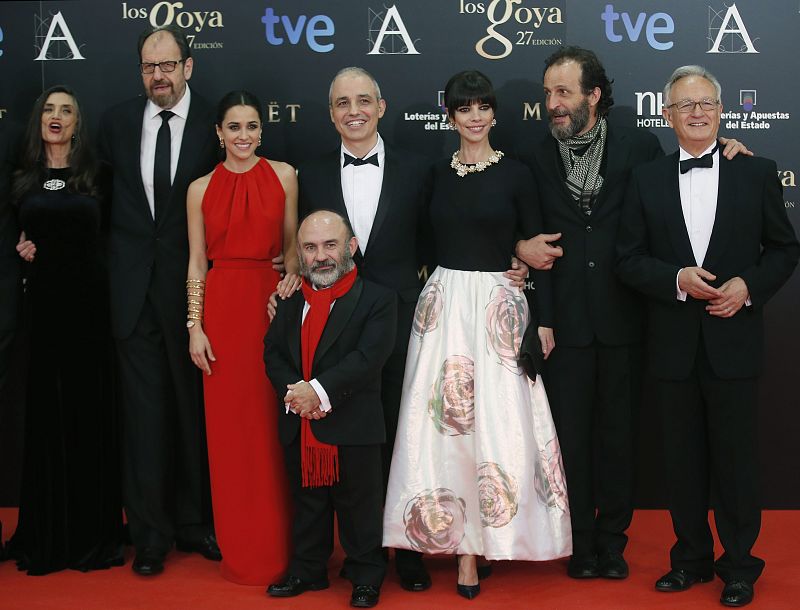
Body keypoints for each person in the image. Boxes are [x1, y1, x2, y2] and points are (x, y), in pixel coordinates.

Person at [515, 46, 749, 580]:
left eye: (564, 92)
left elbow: (691, 174)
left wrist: (733, 150)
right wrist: (518, 246)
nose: (553, 103)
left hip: (629, 317)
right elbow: (506, 218)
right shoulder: (533, 156)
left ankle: (614, 543)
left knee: (620, 438)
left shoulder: (641, 146)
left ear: (593, 95)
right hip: (563, 321)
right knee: (570, 440)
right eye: (548, 92)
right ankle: (580, 543)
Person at [382, 70, 571, 600]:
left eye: (483, 106)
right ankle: (449, 541)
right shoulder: (433, 174)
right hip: (442, 310)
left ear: (494, 113)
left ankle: (486, 541)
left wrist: (543, 314)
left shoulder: (517, 172)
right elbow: (419, 243)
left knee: (496, 425)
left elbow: (540, 250)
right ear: (450, 115)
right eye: (465, 107)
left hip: (497, 311)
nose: (475, 116)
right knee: (440, 429)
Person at [616, 65, 799, 608]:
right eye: (685, 105)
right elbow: (627, 259)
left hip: (733, 340)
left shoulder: (757, 170)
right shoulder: (646, 179)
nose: (697, 112)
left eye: (706, 104)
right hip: (672, 345)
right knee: (682, 461)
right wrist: (675, 279)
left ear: (721, 111)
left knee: (737, 463)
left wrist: (748, 286)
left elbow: (785, 250)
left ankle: (739, 567)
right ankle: (689, 559)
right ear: (667, 114)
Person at [295, 66, 433, 591]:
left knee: (406, 436)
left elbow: (435, 242)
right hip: (335, 331)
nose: (353, 111)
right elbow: (302, 251)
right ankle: (361, 555)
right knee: (353, 449)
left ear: (382, 106)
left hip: (403, 325)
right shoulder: (308, 175)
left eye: (363, 101)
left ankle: (411, 551)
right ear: (330, 113)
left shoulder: (419, 169)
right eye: (342, 103)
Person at [97, 25, 219, 575]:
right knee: (143, 420)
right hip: (133, 293)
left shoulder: (219, 124)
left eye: (168, 65)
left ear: (188, 67)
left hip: (197, 295)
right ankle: (150, 535)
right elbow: (93, 201)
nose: (159, 76)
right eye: (149, 67)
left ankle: (197, 524)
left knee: (196, 413)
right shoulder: (118, 122)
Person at [5, 85, 124, 575]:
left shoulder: (99, 176)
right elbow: (17, 235)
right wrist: (21, 249)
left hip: (90, 313)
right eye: (49, 110)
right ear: (39, 120)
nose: (57, 117)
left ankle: (91, 535)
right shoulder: (21, 179)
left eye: (67, 110)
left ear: (78, 123)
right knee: (46, 419)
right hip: (43, 313)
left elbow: (115, 239)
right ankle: (45, 534)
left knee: (86, 416)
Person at [185, 90, 298, 585]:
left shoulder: (285, 175)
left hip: (272, 307)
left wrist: (287, 279)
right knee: (231, 435)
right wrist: (195, 326)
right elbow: (195, 264)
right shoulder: (198, 189)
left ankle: (281, 546)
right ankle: (240, 547)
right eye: (234, 127)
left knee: (273, 433)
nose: (244, 136)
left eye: (252, 126)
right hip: (223, 313)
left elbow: (294, 248)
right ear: (218, 132)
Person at [264, 210, 397, 609]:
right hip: (300, 420)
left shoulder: (378, 299)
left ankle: (366, 574)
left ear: (350, 247)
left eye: (330, 245)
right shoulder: (290, 298)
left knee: (360, 505)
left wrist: (316, 393)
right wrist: (297, 396)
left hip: (353, 423)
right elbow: (272, 352)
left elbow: (367, 358)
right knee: (307, 503)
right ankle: (308, 569)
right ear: (300, 254)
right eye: (310, 247)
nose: (320, 256)